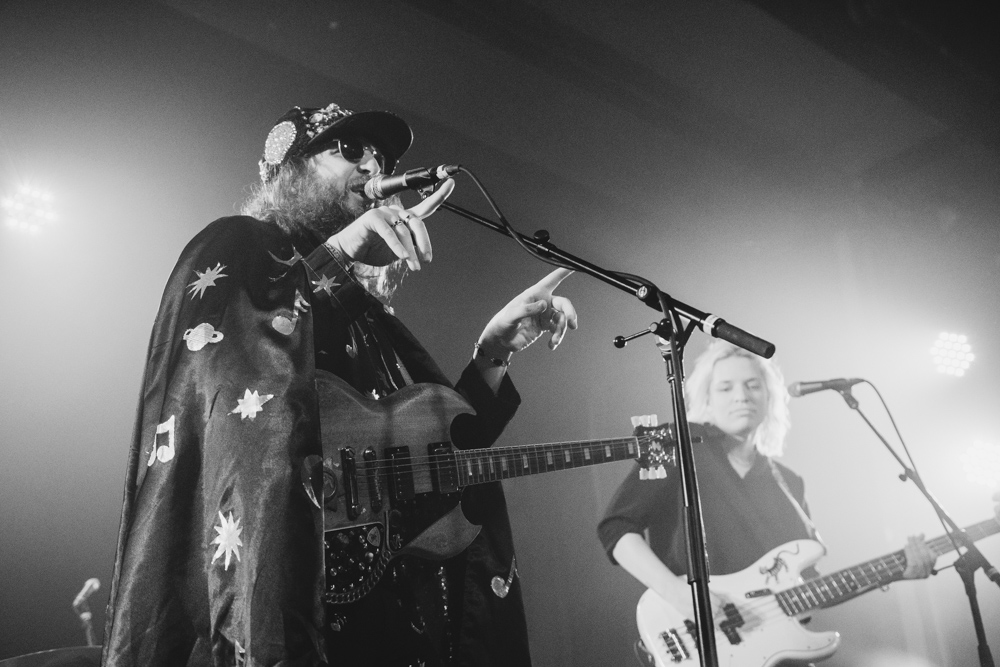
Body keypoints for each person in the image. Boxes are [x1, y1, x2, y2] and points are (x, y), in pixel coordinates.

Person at [103, 102, 578, 667]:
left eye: (381, 158)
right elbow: (235, 374)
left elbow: (424, 456)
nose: (373, 167)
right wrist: (339, 254)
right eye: (350, 150)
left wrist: (492, 353)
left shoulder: (365, 312)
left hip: (382, 611)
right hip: (279, 597)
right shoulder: (235, 245)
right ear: (289, 170)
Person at [597, 340, 936, 645]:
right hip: (695, 636)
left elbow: (807, 586)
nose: (741, 396)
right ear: (707, 400)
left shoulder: (788, 482)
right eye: (726, 387)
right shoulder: (679, 449)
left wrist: (895, 571)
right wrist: (675, 593)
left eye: (752, 385)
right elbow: (617, 526)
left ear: (769, 397)